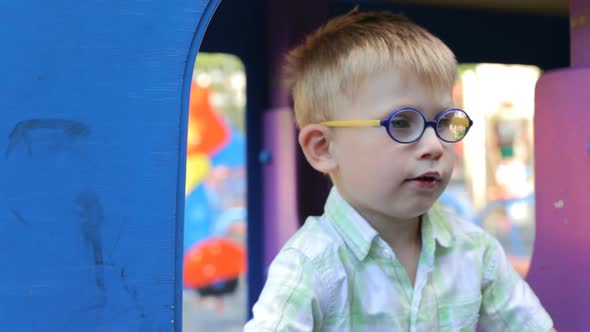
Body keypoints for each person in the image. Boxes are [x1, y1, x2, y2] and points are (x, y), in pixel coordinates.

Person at [244, 8, 554, 332]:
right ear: (323, 148)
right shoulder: (310, 266)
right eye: (402, 123)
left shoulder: (475, 249)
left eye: (445, 121)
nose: (435, 145)